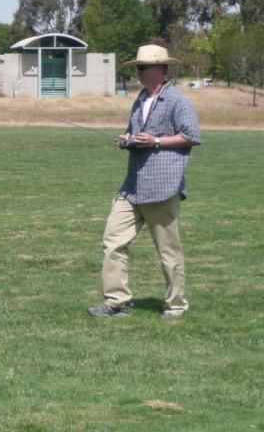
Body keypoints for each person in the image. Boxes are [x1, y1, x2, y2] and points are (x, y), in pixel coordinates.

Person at [87, 44, 201, 319]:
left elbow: (192, 135)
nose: (138, 72)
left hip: (162, 187)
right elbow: (134, 131)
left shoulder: (177, 100)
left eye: (143, 67)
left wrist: (157, 141)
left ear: (161, 69)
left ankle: (175, 306)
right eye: (137, 67)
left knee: (168, 251)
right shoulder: (140, 99)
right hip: (133, 186)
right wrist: (127, 139)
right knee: (113, 241)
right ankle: (118, 302)